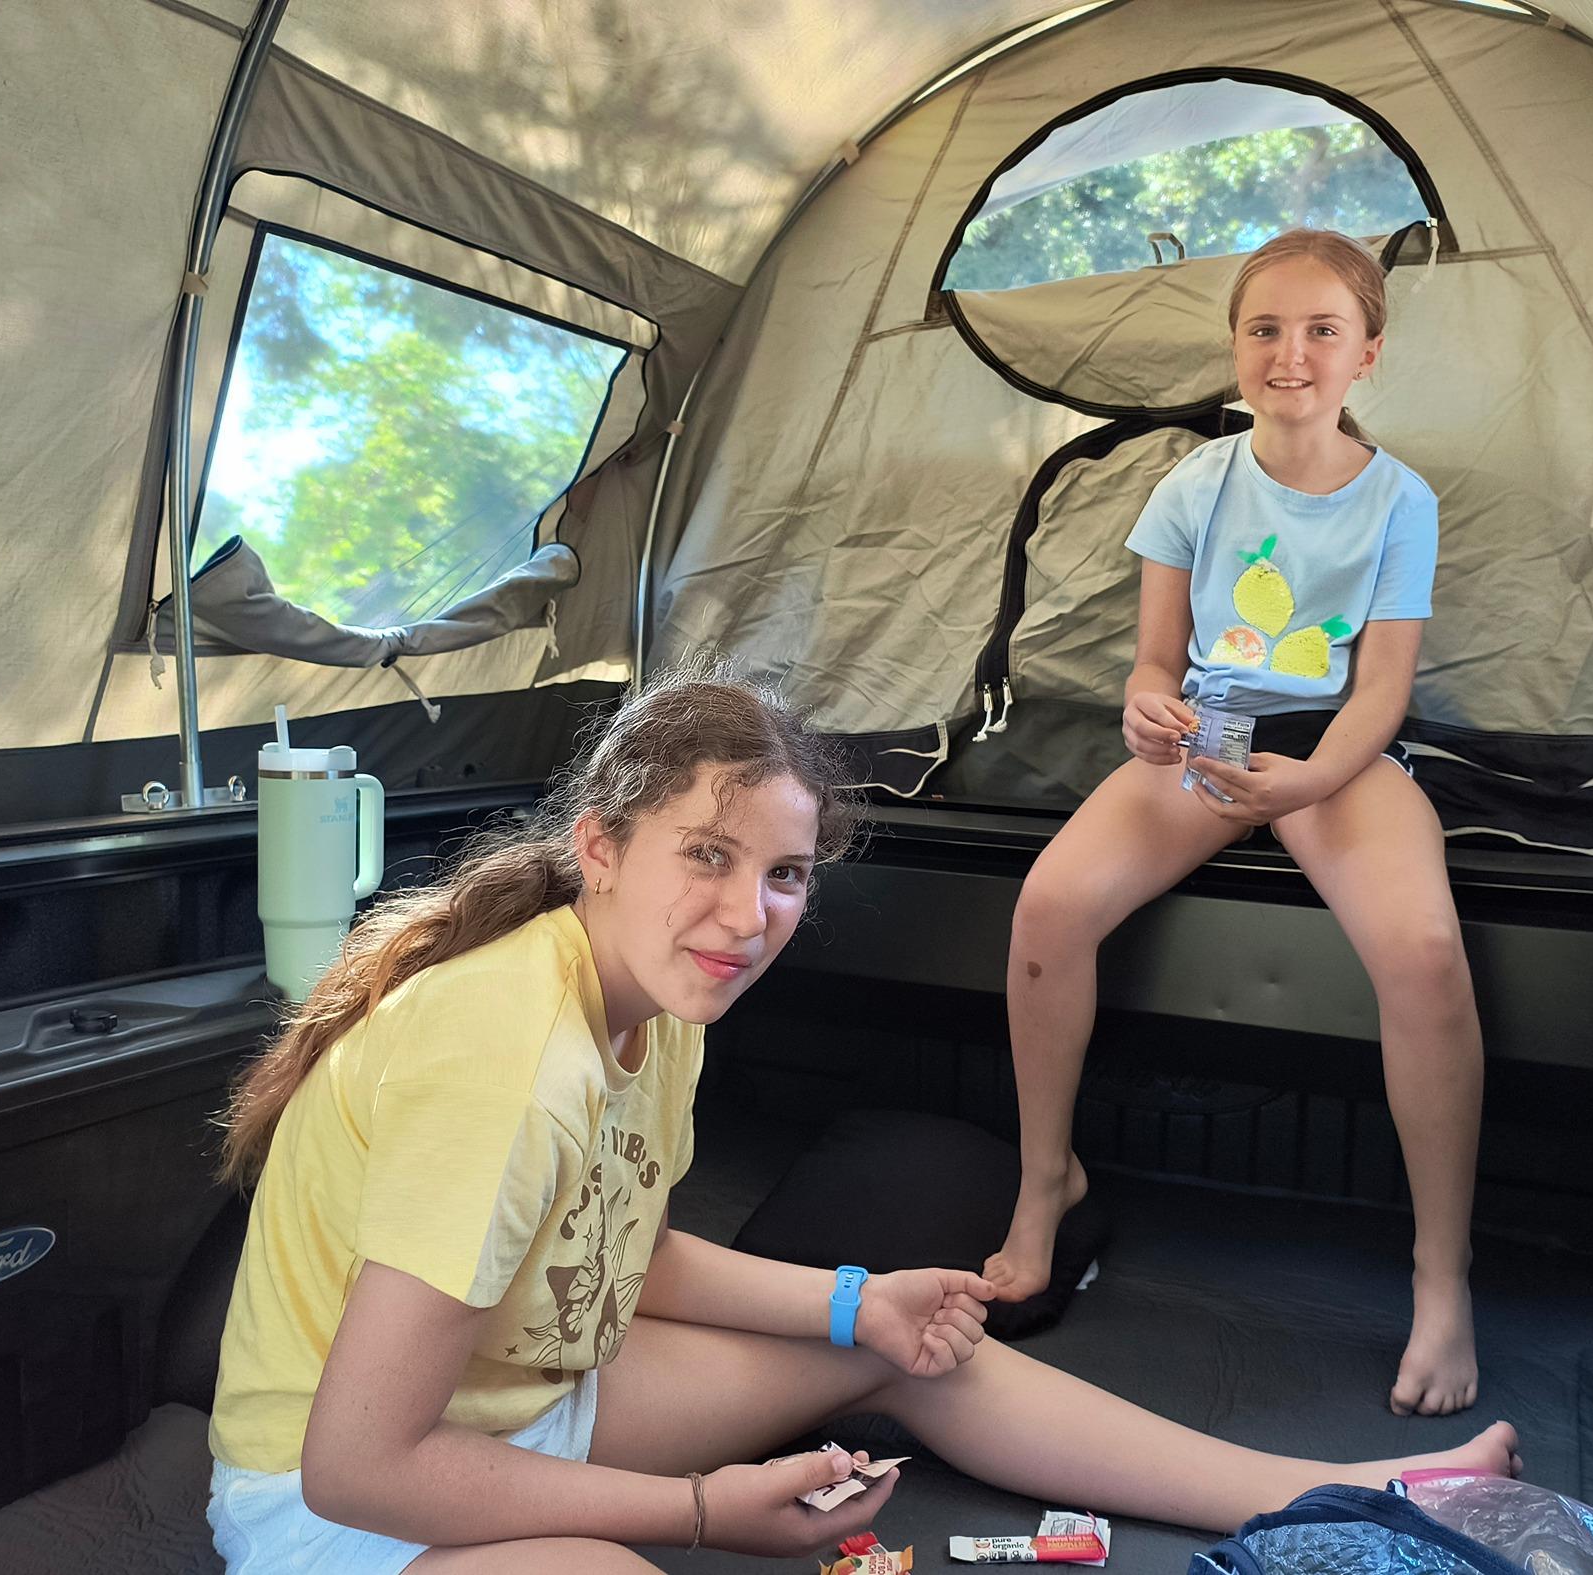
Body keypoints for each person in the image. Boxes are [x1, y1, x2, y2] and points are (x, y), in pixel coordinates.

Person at [205, 671, 1517, 1574]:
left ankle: (1349, 1493)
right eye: (705, 856)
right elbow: (357, 1465)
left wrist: (854, 1305)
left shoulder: (655, 1006)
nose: (749, 915)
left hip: (528, 1398)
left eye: (783, 875)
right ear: (601, 846)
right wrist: (707, 1511)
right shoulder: (507, 1051)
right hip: (346, 1509)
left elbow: (617, 1250)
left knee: (912, 1346)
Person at [983, 229, 1486, 1419]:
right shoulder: (1195, 483)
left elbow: (1379, 695)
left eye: (1321, 331)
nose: (1290, 353)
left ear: (1366, 354)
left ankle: (1440, 1274)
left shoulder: (1399, 500)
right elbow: (1155, 663)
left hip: (1337, 754)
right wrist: (1150, 708)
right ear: (1235, 349)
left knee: (1425, 958)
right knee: (1050, 906)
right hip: (1210, 737)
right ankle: (1045, 1180)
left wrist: (1306, 787)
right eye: (1266, 329)